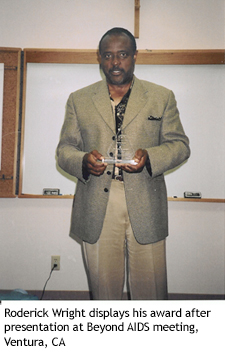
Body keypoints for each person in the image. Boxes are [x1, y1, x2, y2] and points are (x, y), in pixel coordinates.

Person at [56, 27, 190, 300]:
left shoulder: (161, 97)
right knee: (104, 292)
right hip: (97, 203)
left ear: (135, 56)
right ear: (100, 58)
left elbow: (180, 146)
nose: (115, 62)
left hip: (146, 200)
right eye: (108, 55)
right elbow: (63, 150)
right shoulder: (79, 99)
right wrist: (83, 161)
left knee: (150, 292)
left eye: (123, 54)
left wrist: (150, 157)